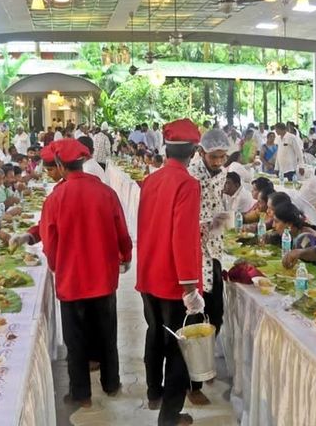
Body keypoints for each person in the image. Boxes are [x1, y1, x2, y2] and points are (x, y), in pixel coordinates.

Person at [40, 139, 132, 408]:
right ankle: (111, 383)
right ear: (82, 162)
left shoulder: (55, 197)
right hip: (103, 277)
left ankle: (81, 394)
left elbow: (49, 240)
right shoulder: (106, 193)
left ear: (59, 164)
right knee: (107, 332)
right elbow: (122, 233)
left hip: (72, 279)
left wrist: (57, 264)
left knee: (75, 338)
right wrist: (125, 257)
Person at [136, 118, 203, 426]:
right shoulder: (187, 184)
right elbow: (184, 235)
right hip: (173, 278)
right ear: (193, 151)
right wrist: (190, 285)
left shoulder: (151, 180)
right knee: (178, 347)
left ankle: (153, 392)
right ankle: (170, 415)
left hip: (150, 271)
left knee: (155, 334)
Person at [188, 128, 229, 405]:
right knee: (195, 317)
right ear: (201, 152)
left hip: (213, 251)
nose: (218, 162)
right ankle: (193, 383)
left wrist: (224, 222)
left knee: (216, 313)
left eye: (222, 157)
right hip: (193, 254)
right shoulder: (191, 176)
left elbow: (218, 206)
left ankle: (206, 363)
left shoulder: (222, 172)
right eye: (214, 157)